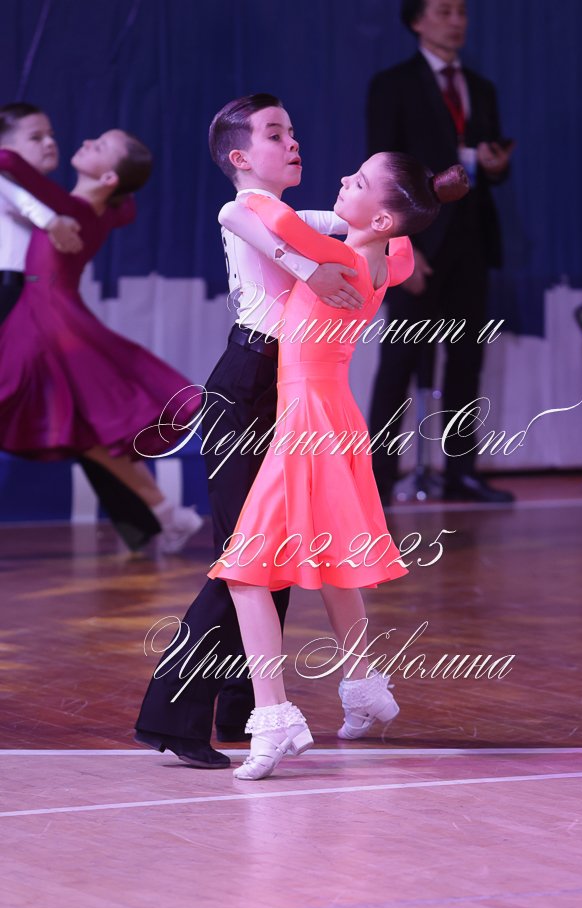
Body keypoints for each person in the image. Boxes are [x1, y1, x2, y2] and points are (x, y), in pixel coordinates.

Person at [208, 153, 468, 780]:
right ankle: (364, 687)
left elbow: (257, 211)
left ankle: (274, 718)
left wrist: (256, 188)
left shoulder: (340, 260)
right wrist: (421, 197)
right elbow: (401, 243)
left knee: (246, 570)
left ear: (379, 217)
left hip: (308, 420)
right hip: (336, 415)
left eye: (359, 181)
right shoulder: (387, 262)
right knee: (331, 563)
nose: (344, 179)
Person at [134, 93, 366, 768]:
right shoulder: (243, 208)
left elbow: (356, 221)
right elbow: (256, 227)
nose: (293, 143)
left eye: (293, 132)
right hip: (244, 385)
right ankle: (172, 718)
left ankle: (241, 708)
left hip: (284, 387)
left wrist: (413, 195)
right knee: (244, 558)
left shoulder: (290, 215)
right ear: (240, 156)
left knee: (279, 553)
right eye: (275, 134)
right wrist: (312, 268)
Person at [0, 125, 203, 552]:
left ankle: (169, 515)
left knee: (80, 424)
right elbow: (126, 208)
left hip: (45, 320)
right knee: (90, 433)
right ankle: (169, 514)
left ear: (109, 176)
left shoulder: (70, 207)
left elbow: (8, 161)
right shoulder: (106, 212)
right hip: (58, 316)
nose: (87, 141)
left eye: (101, 146)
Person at [366, 0, 515, 504]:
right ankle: (378, 478)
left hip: (472, 243)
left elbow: (489, 166)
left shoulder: (482, 88)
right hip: (419, 245)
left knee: (467, 359)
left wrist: (495, 165)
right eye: (445, 12)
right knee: (399, 361)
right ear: (416, 21)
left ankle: (460, 473)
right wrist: (399, 246)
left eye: (462, 13)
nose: (457, 22)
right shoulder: (393, 84)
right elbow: (381, 174)